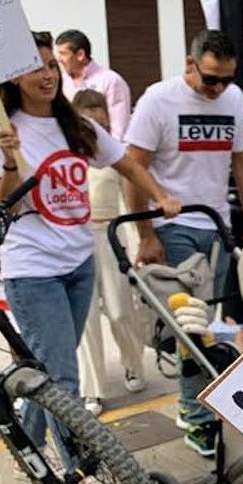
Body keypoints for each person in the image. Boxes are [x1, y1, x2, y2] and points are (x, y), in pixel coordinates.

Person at [0, 31, 179, 484]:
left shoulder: (76, 126)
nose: (47, 74)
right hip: (33, 269)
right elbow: (0, 205)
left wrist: (159, 196)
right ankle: (81, 475)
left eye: (51, 65)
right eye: (36, 67)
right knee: (62, 380)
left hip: (78, 259)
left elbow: (126, 162)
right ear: (13, 79)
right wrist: (8, 157)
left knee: (49, 369)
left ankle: (26, 445)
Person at [125, 29, 243, 457]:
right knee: (195, 325)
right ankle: (194, 413)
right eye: (210, 80)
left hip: (217, 224)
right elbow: (133, 167)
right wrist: (145, 235)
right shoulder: (157, 101)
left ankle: (205, 399)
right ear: (189, 65)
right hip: (174, 225)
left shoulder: (234, 99)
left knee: (212, 323)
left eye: (226, 80)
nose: (218, 89)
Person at [71, 90, 147, 417]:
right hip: (76, 241)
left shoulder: (114, 154)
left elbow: (128, 202)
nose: (96, 128)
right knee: (85, 319)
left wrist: (132, 244)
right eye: (89, 122)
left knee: (119, 311)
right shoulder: (66, 155)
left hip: (110, 236)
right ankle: (93, 388)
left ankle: (133, 362)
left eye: (101, 121)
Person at [56, 30, 132, 140]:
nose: (59, 59)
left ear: (80, 55)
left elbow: (119, 129)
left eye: (63, 54)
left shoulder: (110, 80)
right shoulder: (61, 81)